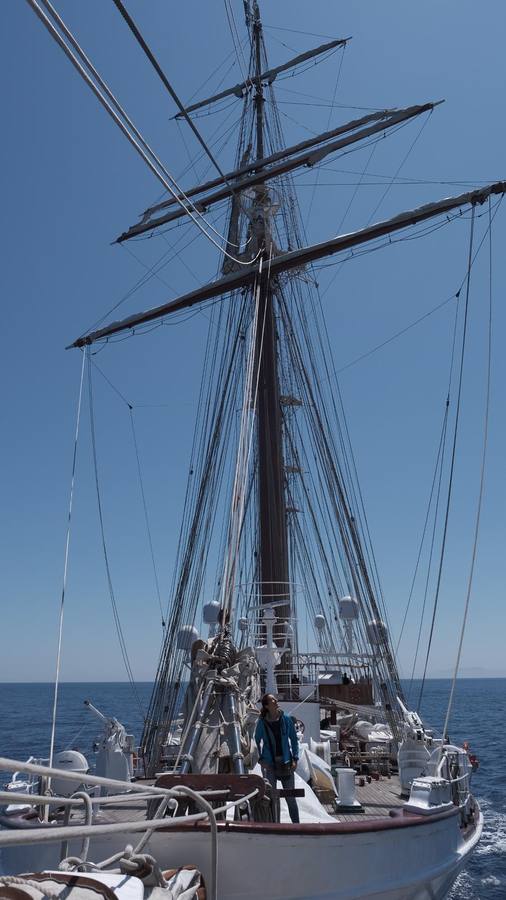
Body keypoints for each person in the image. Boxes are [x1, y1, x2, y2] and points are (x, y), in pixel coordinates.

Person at [254, 693, 300, 823]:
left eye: (275, 699)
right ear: (267, 706)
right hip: (270, 765)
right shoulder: (262, 723)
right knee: (272, 798)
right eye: (272, 699)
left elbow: (294, 740)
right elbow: (256, 741)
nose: (276, 700)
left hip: (286, 763)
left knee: (291, 799)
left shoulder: (286, 719)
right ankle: (274, 825)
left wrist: (295, 759)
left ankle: (296, 826)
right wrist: (261, 760)